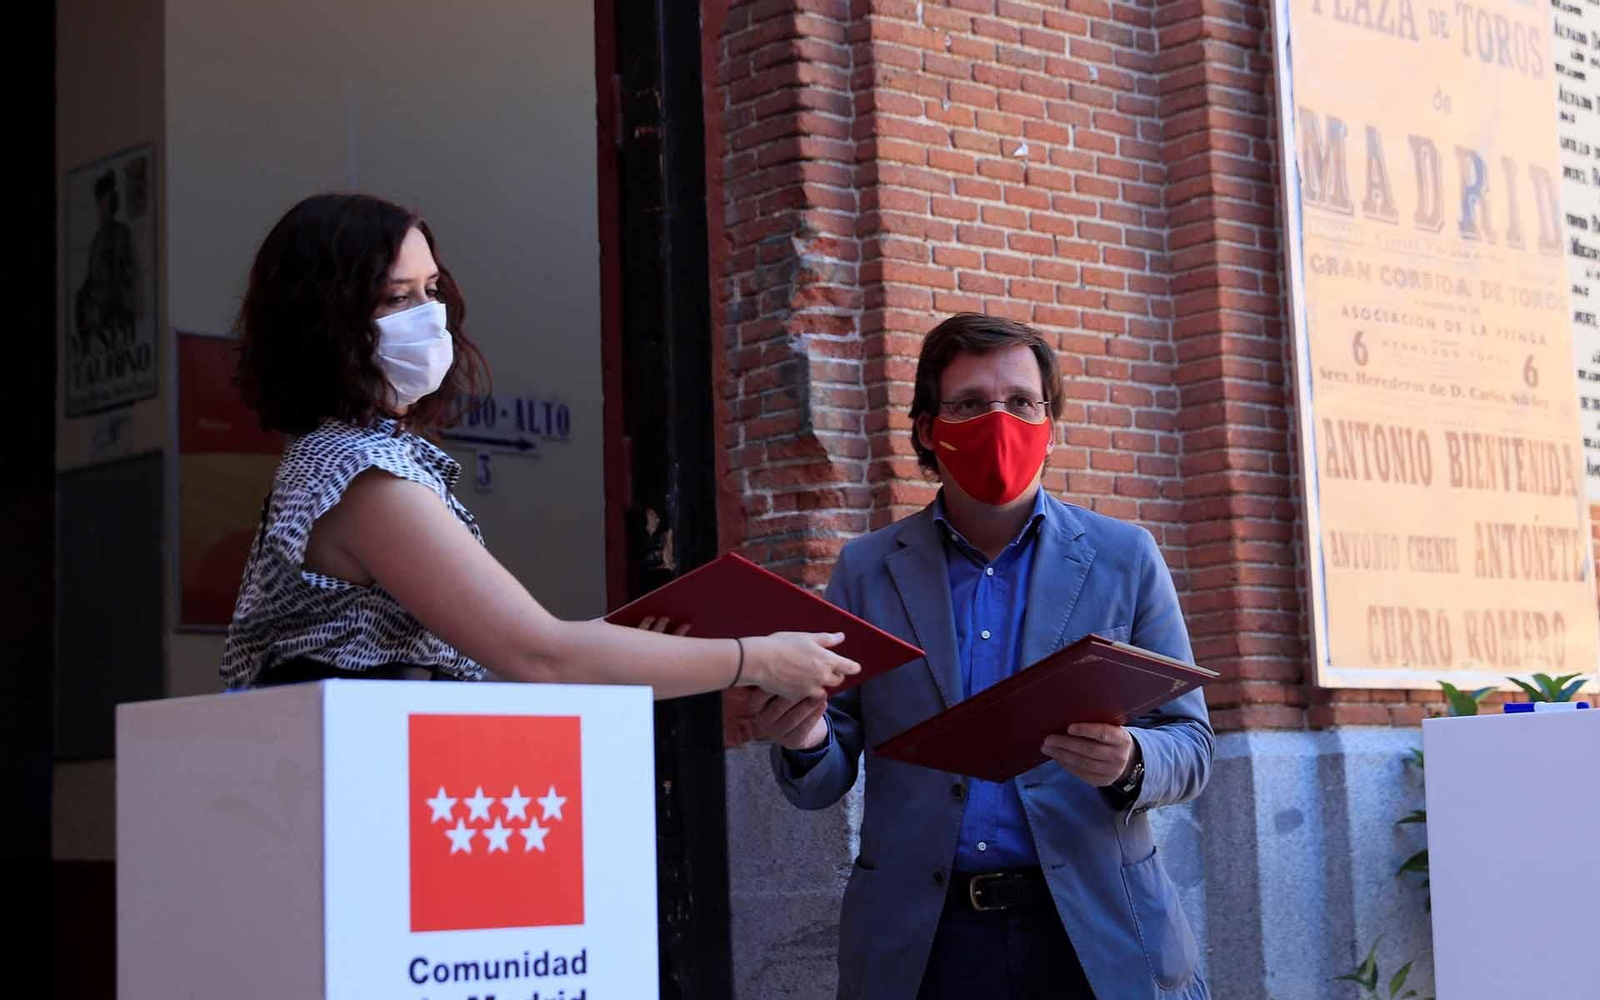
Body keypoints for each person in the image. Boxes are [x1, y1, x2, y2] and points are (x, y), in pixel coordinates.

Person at [221, 192, 857, 702]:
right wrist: (758, 658)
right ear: (322, 322)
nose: (429, 315)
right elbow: (539, 655)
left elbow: (537, 652)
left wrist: (619, 651)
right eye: (396, 297)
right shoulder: (364, 478)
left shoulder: (348, 458)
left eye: (432, 290)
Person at [751, 314, 1213, 999]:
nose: (999, 421)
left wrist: (1130, 762)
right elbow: (824, 773)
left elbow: (1194, 745)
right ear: (927, 430)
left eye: (1022, 402)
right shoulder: (868, 570)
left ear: (1051, 426)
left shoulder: (1125, 558)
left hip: (1094, 932)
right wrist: (807, 738)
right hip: (926, 942)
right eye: (969, 404)